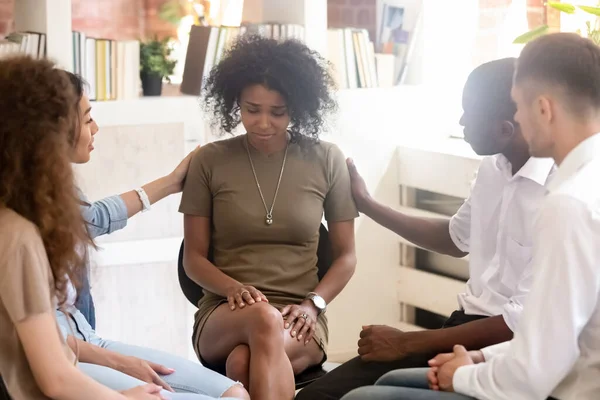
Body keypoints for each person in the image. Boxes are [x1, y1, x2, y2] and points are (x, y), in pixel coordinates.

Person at [341, 32, 600, 400]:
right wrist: (477, 357)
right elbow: (547, 338)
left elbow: (534, 367)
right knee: (383, 385)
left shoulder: (568, 203)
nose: (518, 118)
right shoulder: (579, 183)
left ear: (543, 110)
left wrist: (462, 375)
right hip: (522, 360)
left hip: (564, 390)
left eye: (519, 105)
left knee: (360, 398)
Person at [297, 58, 556, 400]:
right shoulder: (495, 166)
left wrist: (404, 342)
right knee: (317, 396)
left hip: (505, 347)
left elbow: (516, 324)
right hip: (462, 327)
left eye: (469, 112)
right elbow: (455, 237)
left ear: (506, 129)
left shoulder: (561, 196)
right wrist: (369, 205)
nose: (461, 121)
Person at [179, 35, 358, 400]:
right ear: (235, 104)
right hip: (224, 312)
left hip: (300, 317)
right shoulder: (209, 161)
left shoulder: (327, 159)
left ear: (299, 107)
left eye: (277, 112)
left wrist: (313, 304)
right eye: (251, 109)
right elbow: (193, 259)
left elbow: (346, 256)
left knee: (243, 364)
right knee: (262, 317)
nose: (262, 123)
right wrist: (231, 287)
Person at [51, 71, 248, 400]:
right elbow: (40, 344)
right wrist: (123, 364)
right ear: (55, 130)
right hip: (65, 354)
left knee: (235, 394)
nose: (95, 128)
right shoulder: (19, 220)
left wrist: (172, 182)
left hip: (86, 339)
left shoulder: (54, 191)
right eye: (87, 119)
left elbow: (91, 218)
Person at [0, 55, 167, 400]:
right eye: (88, 118)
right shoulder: (17, 237)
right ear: (50, 140)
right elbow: (56, 379)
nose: (95, 129)